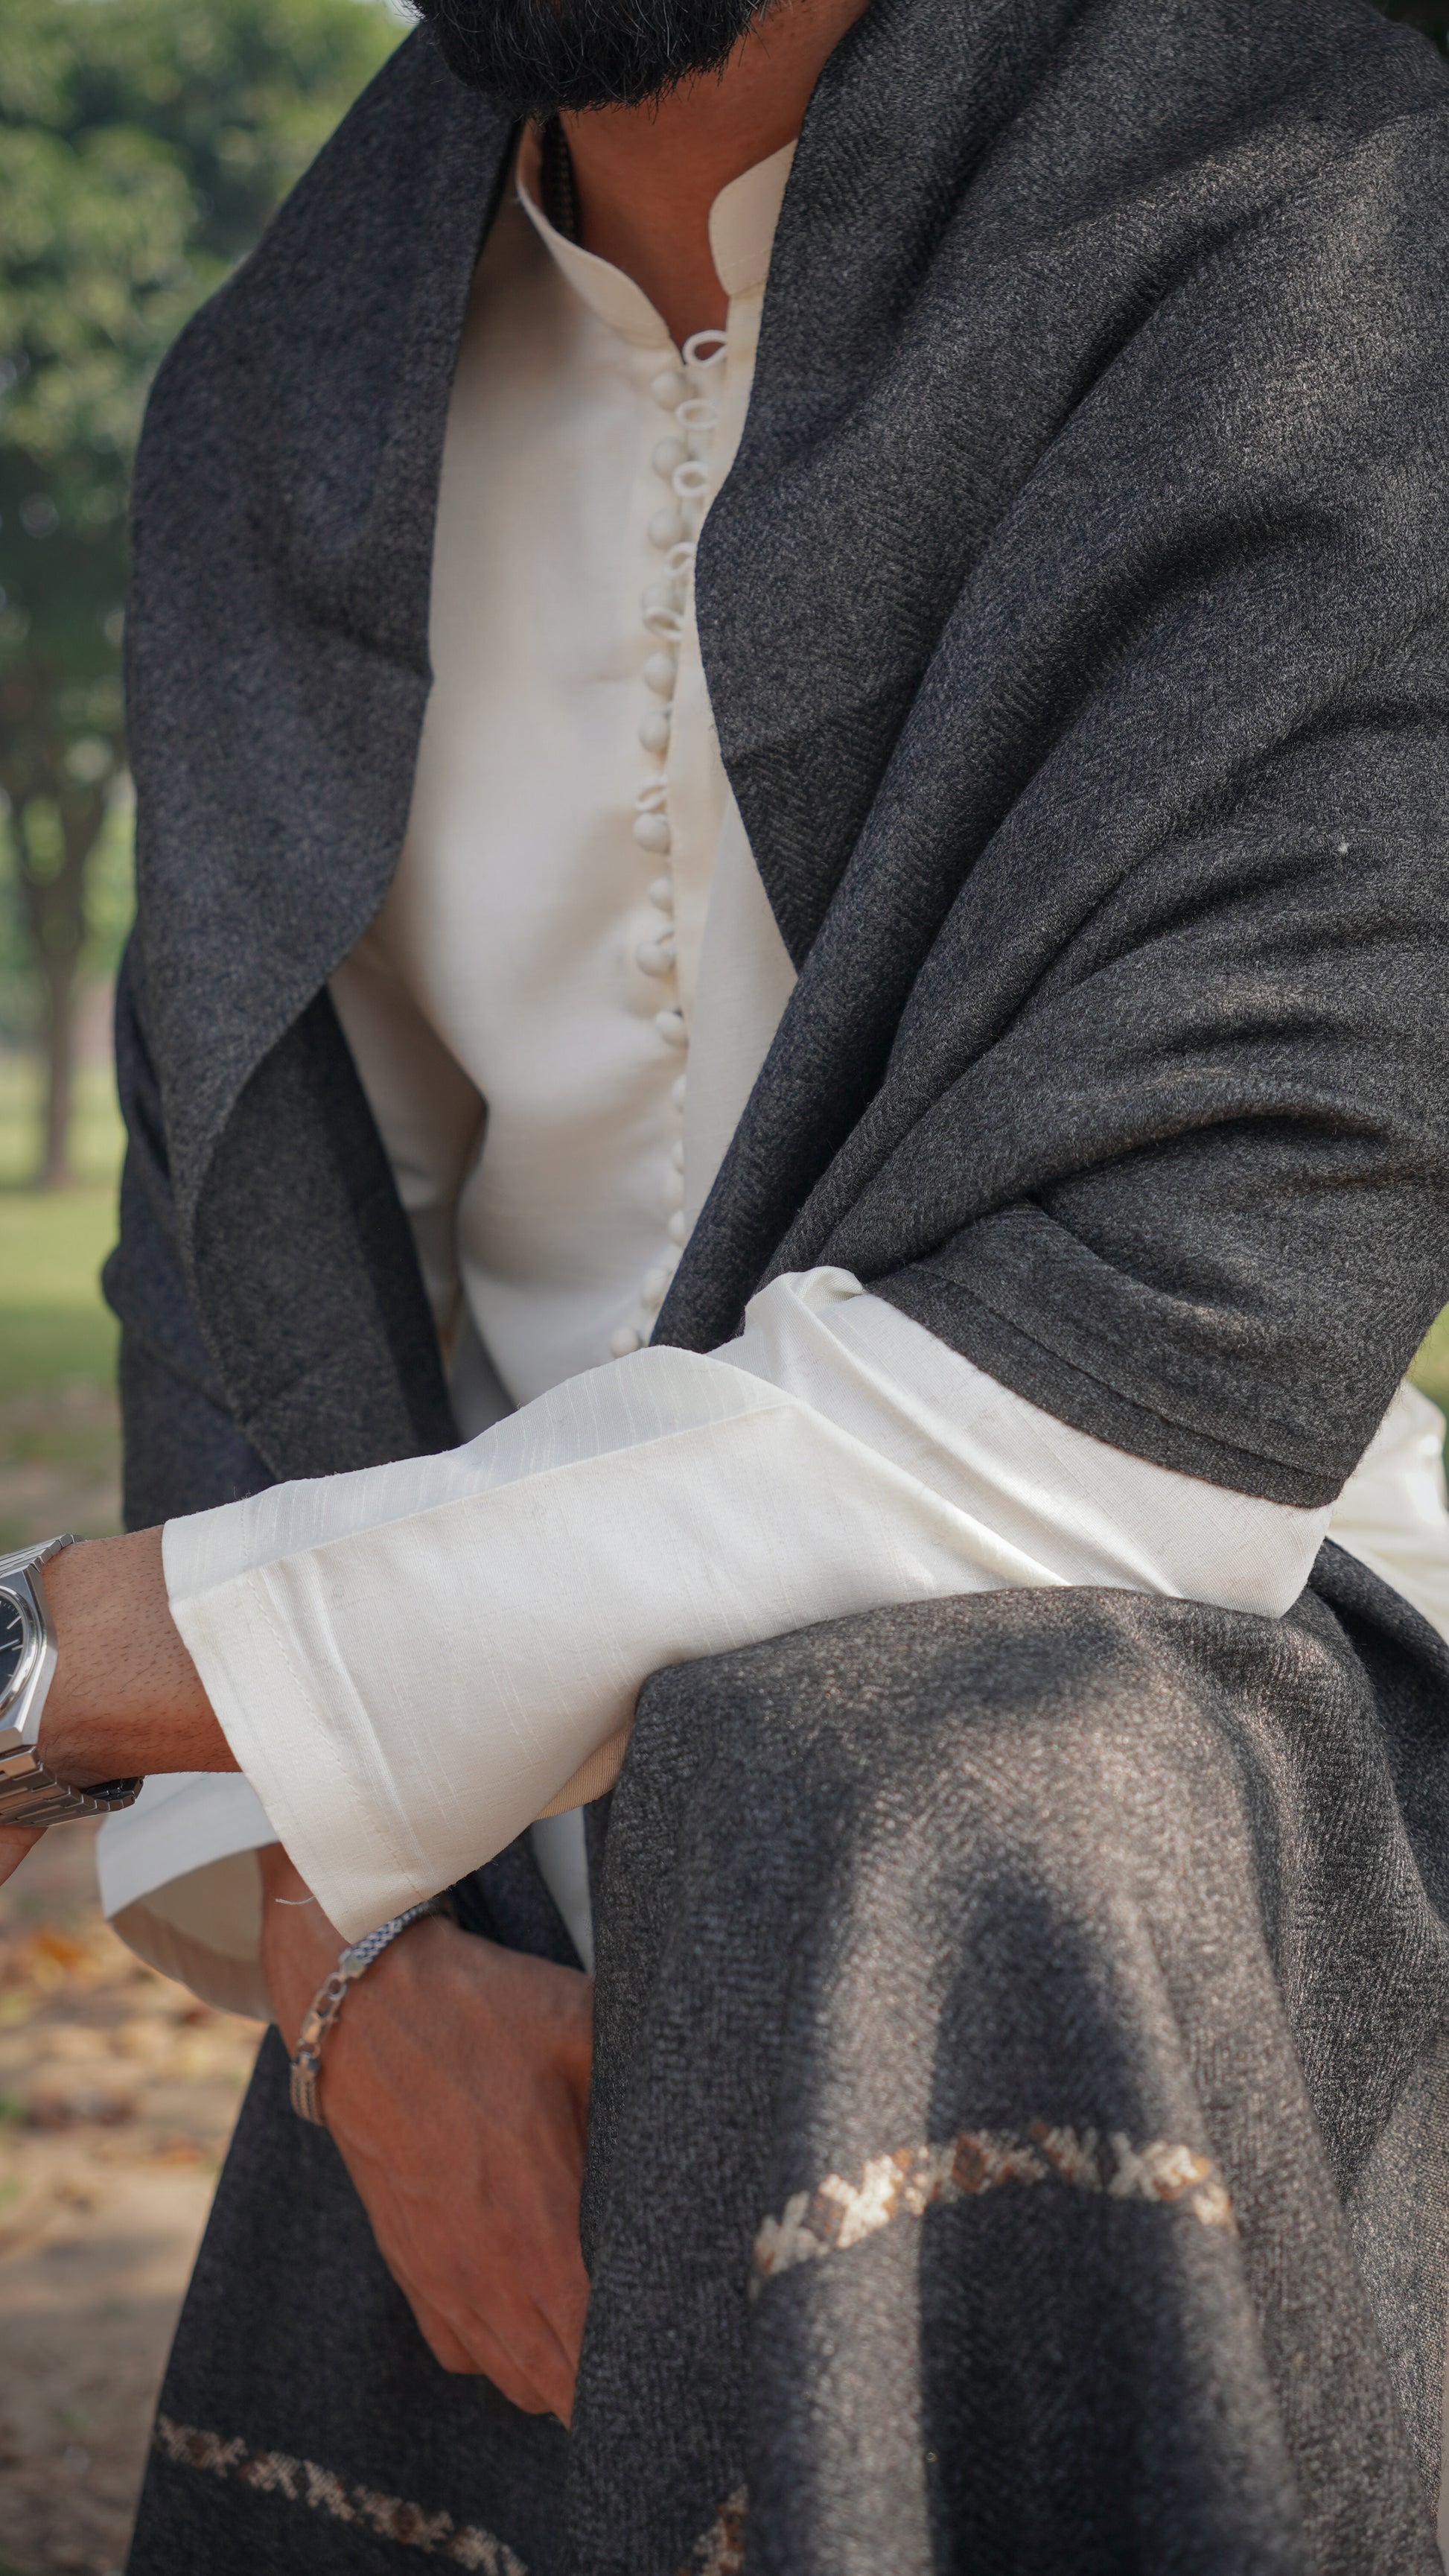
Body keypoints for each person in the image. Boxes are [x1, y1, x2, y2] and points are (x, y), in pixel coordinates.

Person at [4, 0, 1449, 2563]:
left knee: (959, 1784)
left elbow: (1150, 1380)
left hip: (1161, 1795)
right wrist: (360, 1985)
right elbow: (240, 1282)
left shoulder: (1321, 234)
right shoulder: (281, 399)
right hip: (476, 1881)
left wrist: (63, 1655)